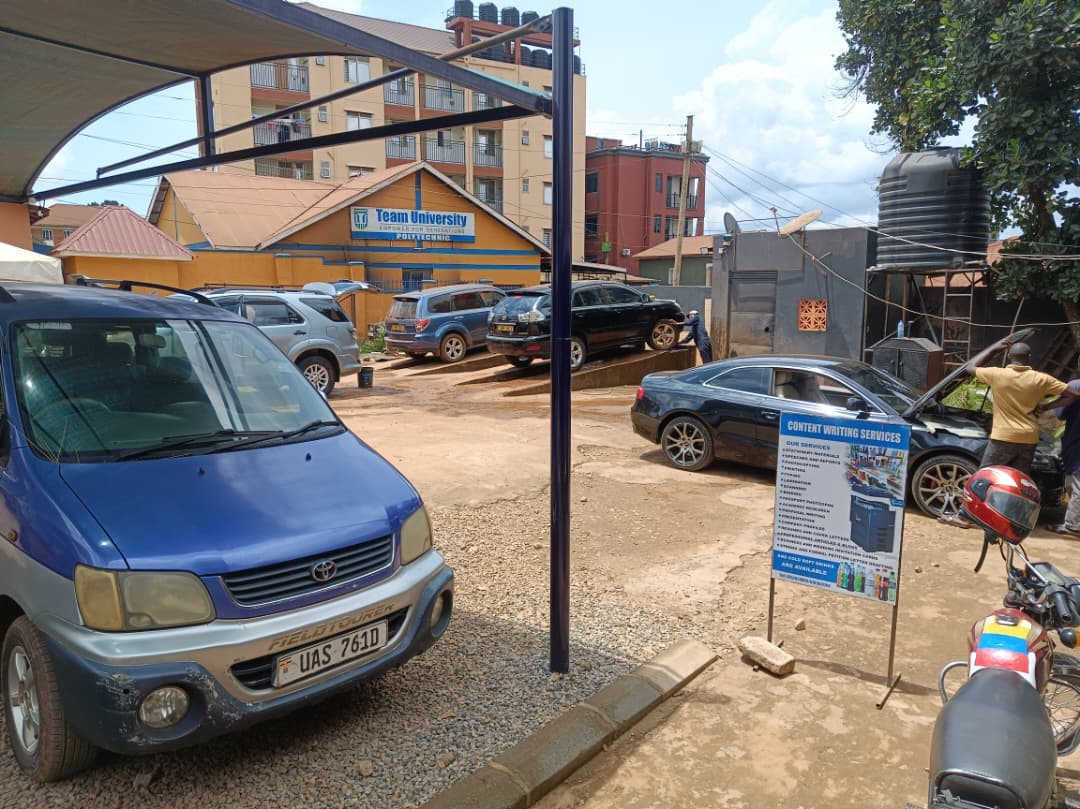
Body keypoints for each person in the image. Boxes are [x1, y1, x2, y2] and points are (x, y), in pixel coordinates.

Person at [940, 340, 1067, 527]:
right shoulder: (1041, 379)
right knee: (1019, 482)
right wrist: (1046, 406)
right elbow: (1072, 393)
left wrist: (993, 348)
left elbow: (970, 367)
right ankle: (1013, 522)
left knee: (983, 477)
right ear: (1028, 358)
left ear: (1009, 357)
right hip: (1028, 438)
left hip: (1003, 437)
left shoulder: (997, 374)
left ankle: (965, 517)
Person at [1039, 360, 1080, 536]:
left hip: (1077, 443)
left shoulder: (1075, 386)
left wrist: (1045, 406)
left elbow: (1061, 414)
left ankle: (1073, 525)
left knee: (1076, 485)